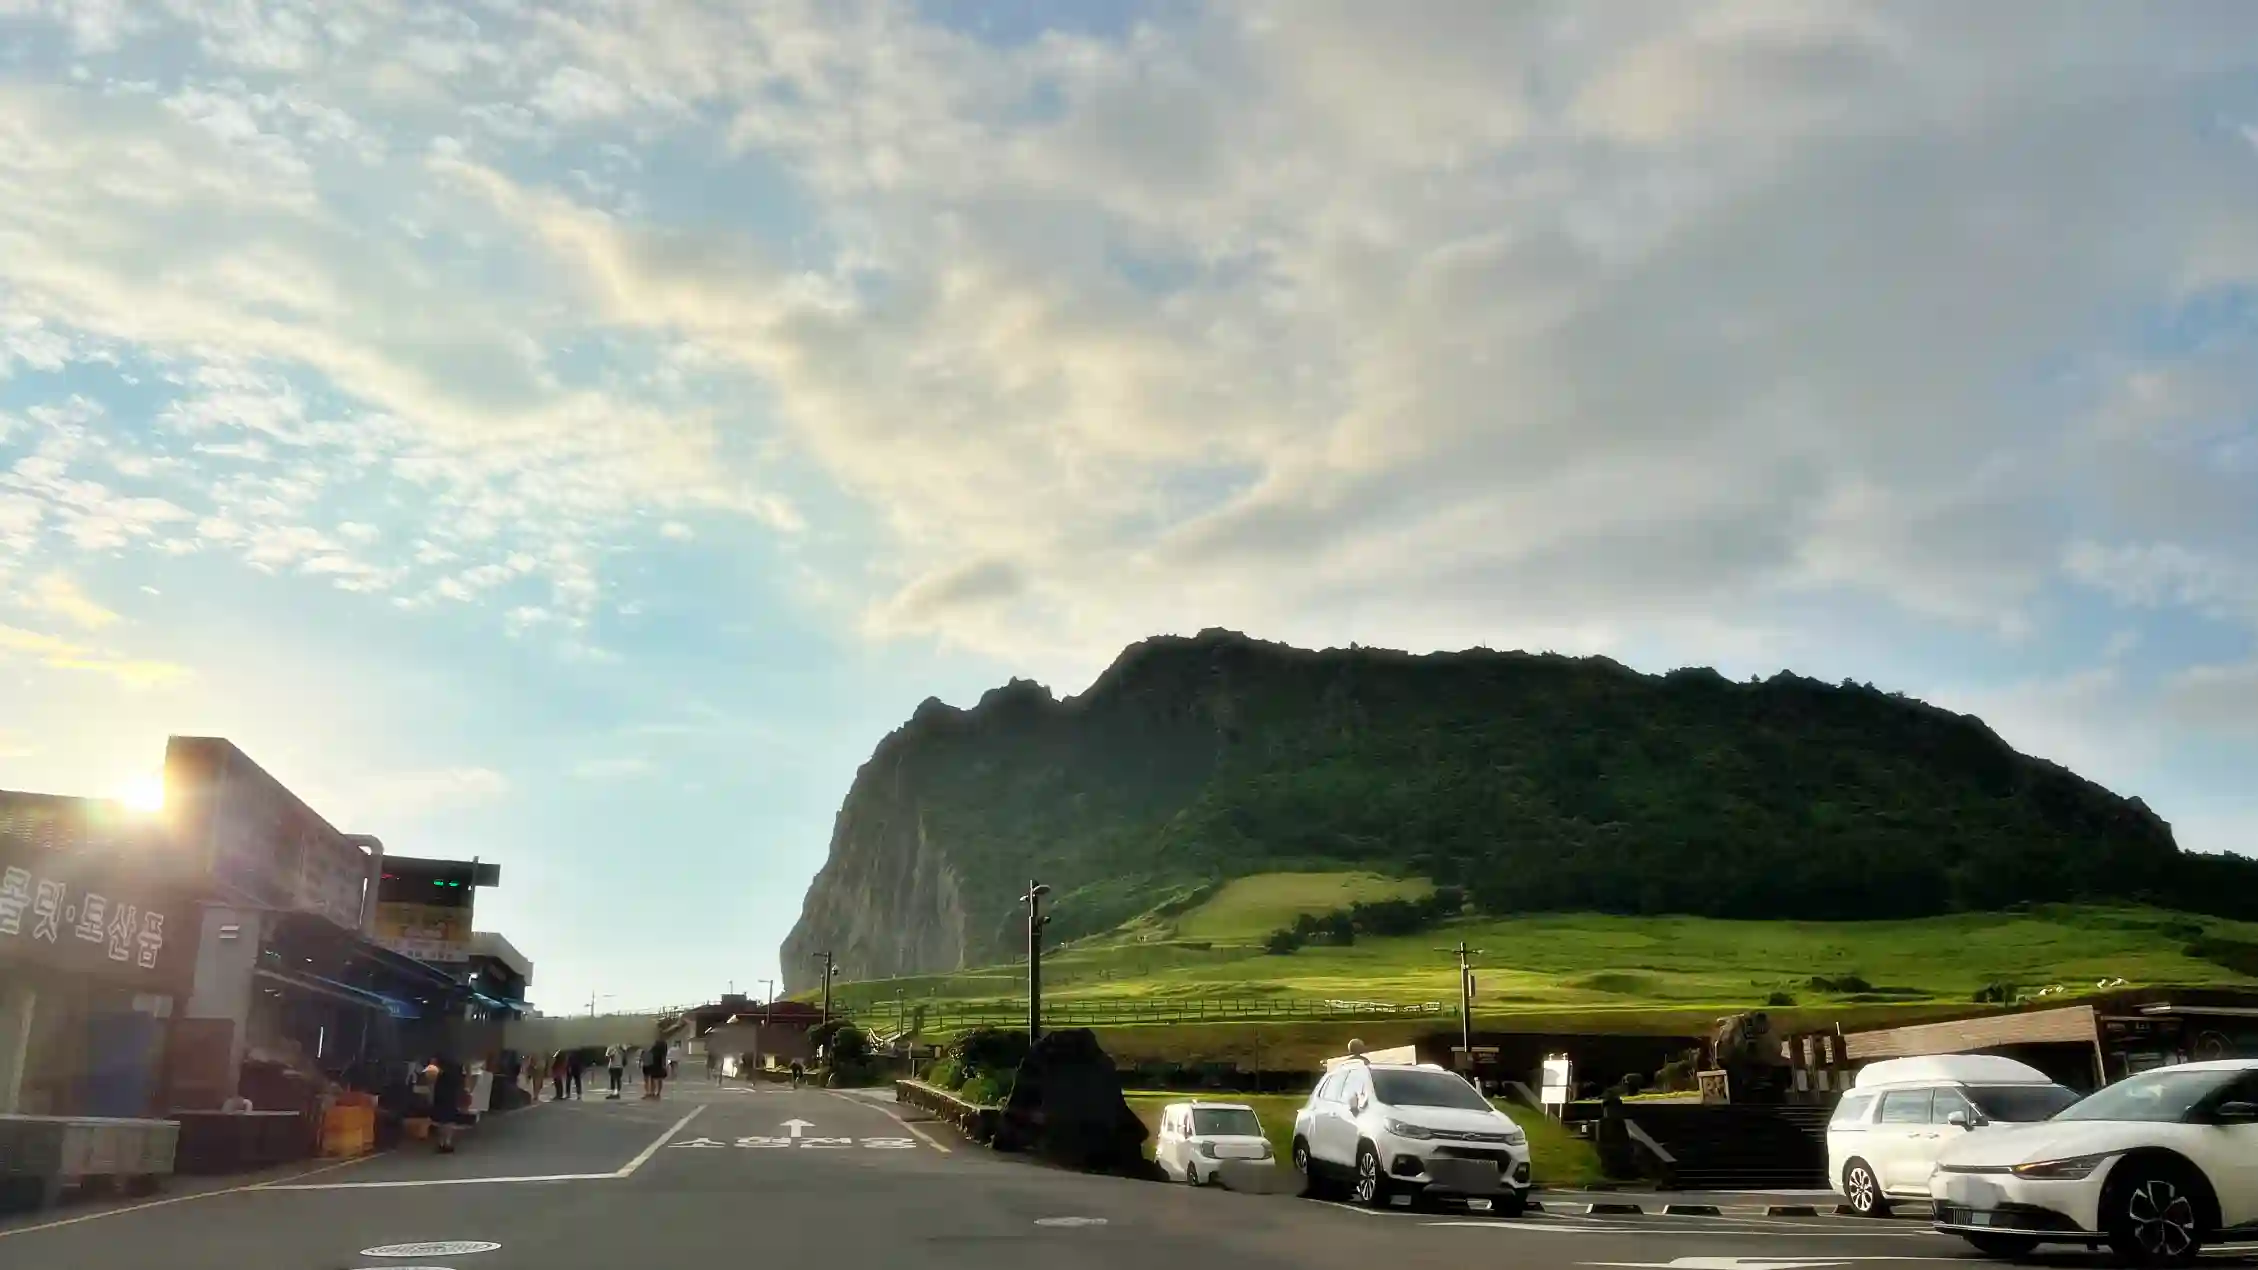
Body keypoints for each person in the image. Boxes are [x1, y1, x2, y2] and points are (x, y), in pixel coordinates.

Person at [430, 1055, 468, 1154]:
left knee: (443, 1121)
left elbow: (432, 1080)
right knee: (448, 1121)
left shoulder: (443, 1074)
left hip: (442, 1098)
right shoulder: (454, 1072)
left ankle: (443, 1143)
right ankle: (446, 1142)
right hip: (449, 1098)